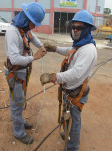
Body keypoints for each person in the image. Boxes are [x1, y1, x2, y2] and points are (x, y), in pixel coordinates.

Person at [40, 10, 97, 151]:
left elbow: (76, 73)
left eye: (79, 28)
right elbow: (70, 51)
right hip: (69, 89)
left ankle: (72, 147)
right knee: (68, 117)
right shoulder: (80, 45)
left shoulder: (88, 49)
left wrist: (54, 77)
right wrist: (55, 49)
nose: (75, 30)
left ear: (87, 29)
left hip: (76, 92)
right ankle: (67, 134)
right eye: (73, 27)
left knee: (75, 121)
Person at [4, 2, 47, 144]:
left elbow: (32, 37)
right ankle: (19, 132)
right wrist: (34, 57)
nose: (34, 27)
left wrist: (41, 46)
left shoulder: (23, 29)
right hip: (15, 72)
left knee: (21, 98)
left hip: (22, 71)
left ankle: (20, 121)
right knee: (17, 102)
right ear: (26, 19)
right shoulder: (13, 32)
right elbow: (14, 58)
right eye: (33, 23)